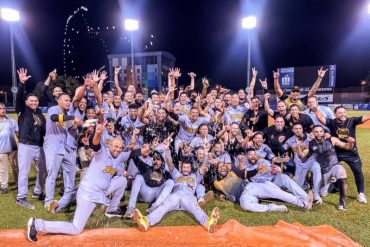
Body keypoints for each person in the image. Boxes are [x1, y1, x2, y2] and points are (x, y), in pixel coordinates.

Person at [27, 123, 129, 241]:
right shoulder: (102, 152)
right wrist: (98, 133)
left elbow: (125, 160)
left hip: (100, 192)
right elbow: (95, 144)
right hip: (88, 195)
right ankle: (37, 224)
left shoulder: (116, 159)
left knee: (122, 180)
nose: (118, 149)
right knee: (76, 228)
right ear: (109, 145)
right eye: (115, 146)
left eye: (120, 148)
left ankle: (112, 209)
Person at [133, 158, 220, 233]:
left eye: (187, 167)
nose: (185, 169)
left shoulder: (195, 176)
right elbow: (169, 163)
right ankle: (146, 222)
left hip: (188, 197)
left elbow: (203, 167)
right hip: (174, 197)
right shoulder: (176, 174)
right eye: (184, 167)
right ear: (181, 167)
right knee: (163, 207)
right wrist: (166, 149)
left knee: (195, 207)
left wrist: (205, 153)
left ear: (191, 168)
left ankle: (208, 222)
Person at [315, 105, 370, 203]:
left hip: (351, 152)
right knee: (327, 169)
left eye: (344, 112)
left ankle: (361, 194)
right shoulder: (332, 122)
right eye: (340, 113)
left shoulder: (352, 121)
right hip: (335, 153)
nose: (342, 114)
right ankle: (329, 187)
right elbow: (320, 118)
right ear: (335, 114)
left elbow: (367, 117)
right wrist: (315, 109)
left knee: (357, 171)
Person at [43, 93, 83, 209]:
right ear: (59, 101)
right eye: (65, 100)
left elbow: (71, 127)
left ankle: (68, 198)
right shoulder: (53, 109)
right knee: (52, 175)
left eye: (69, 100)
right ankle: (48, 201)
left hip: (65, 147)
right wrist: (72, 118)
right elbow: (54, 118)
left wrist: (81, 125)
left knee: (70, 172)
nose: (68, 102)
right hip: (53, 146)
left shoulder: (68, 113)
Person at [15, 68, 47, 209]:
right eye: (31, 100)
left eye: (36, 101)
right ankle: (21, 197)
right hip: (26, 145)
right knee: (24, 172)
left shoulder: (40, 115)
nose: (34, 102)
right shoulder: (23, 110)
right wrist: (21, 83)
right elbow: (20, 97)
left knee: (43, 170)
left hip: (39, 146)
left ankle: (37, 191)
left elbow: (44, 131)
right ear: (27, 102)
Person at [303, 125, 355, 210]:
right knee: (323, 194)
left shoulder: (332, 140)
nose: (319, 134)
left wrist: (351, 143)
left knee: (342, 176)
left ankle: (342, 202)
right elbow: (305, 157)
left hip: (334, 165)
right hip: (323, 171)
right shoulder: (310, 143)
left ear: (324, 132)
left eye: (321, 131)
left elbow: (346, 146)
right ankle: (332, 181)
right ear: (313, 133)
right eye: (316, 132)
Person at [123, 144, 174, 218]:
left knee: (171, 182)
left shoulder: (166, 173)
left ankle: (155, 206)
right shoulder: (146, 168)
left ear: (162, 162)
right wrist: (136, 150)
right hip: (146, 193)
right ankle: (130, 208)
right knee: (139, 177)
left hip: (157, 195)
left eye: (158, 159)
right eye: (154, 159)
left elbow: (169, 188)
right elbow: (133, 156)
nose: (155, 161)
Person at [281, 123, 322, 203]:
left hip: (311, 161)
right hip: (299, 164)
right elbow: (282, 149)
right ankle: (307, 185)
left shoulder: (310, 137)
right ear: (293, 130)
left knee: (317, 167)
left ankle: (316, 195)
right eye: (296, 129)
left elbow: (321, 141)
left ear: (302, 129)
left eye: (300, 128)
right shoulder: (290, 140)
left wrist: (316, 139)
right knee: (298, 188)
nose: (298, 130)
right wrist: (279, 143)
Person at [0, 102, 18, 193]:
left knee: (15, 167)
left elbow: (17, 133)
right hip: (1, 150)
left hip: (13, 149)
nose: (2, 110)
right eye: (0, 109)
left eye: (3, 108)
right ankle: (4, 186)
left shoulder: (11, 120)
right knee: (2, 169)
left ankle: (19, 183)